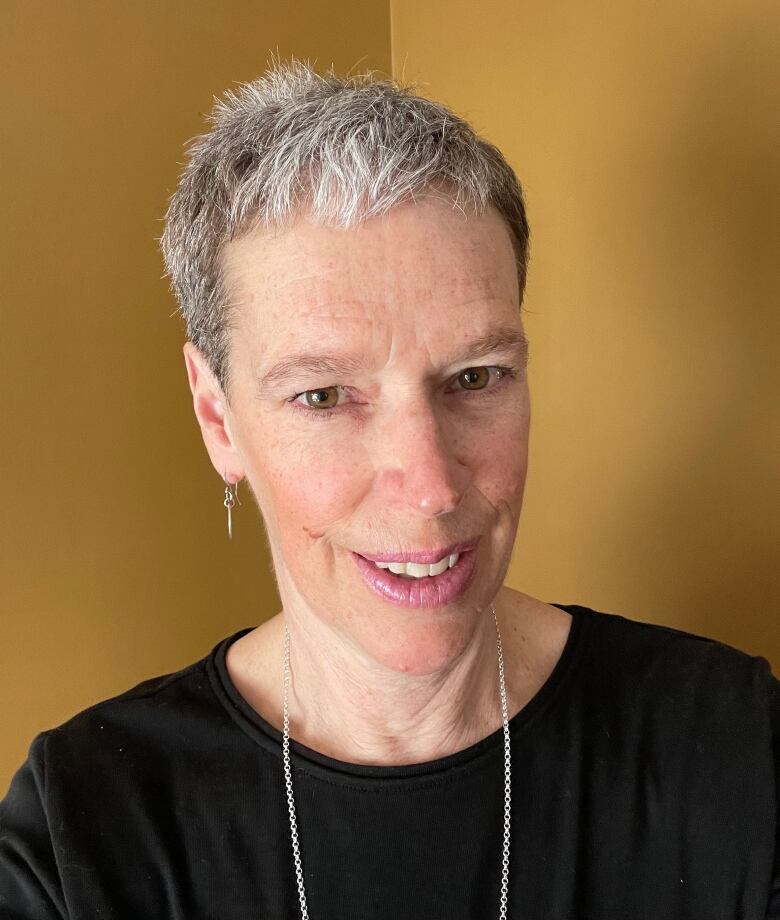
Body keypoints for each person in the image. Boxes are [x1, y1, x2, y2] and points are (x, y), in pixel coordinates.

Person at [1, 58, 777, 920]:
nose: (432, 490)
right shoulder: (85, 829)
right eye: (324, 396)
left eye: (476, 377)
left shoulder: (734, 748)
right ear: (219, 420)